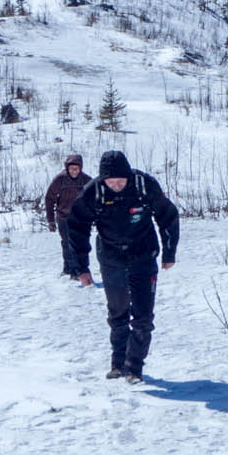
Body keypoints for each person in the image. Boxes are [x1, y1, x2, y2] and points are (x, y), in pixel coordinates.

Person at [64, 150, 180, 382]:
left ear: (128, 176)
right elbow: (76, 228)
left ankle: (134, 366)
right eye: (110, 181)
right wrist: (81, 268)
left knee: (143, 316)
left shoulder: (143, 186)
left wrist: (169, 253)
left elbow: (167, 216)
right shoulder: (94, 192)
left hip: (143, 256)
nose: (116, 185)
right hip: (111, 258)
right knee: (118, 312)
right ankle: (118, 363)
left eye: (120, 180)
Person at [42, 153, 90, 275]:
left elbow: (94, 197)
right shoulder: (60, 179)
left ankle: (79, 270)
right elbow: (49, 198)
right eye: (71, 168)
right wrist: (51, 220)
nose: (74, 171)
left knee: (80, 243)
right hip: (63, 217)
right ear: (67, 168)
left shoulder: (86, 180)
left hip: (80, 218)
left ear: (80, 168)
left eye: (76, 168)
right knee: (67, 243)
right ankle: (69, 269)